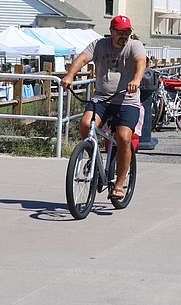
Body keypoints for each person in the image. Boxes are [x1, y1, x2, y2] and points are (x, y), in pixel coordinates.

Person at [60, 15, 147, 200]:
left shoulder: (134, 45)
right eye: (121, 32)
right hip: (101, 98)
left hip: (127, 100)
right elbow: (82, 59)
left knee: (123, 138)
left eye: (127, 31)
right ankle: (93, 156)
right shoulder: (99, 45)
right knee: (85, 123)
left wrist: (136, 79)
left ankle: (119, 184)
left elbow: (141, 62)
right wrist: (70, 76)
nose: (124, 35)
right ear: (111, 31)